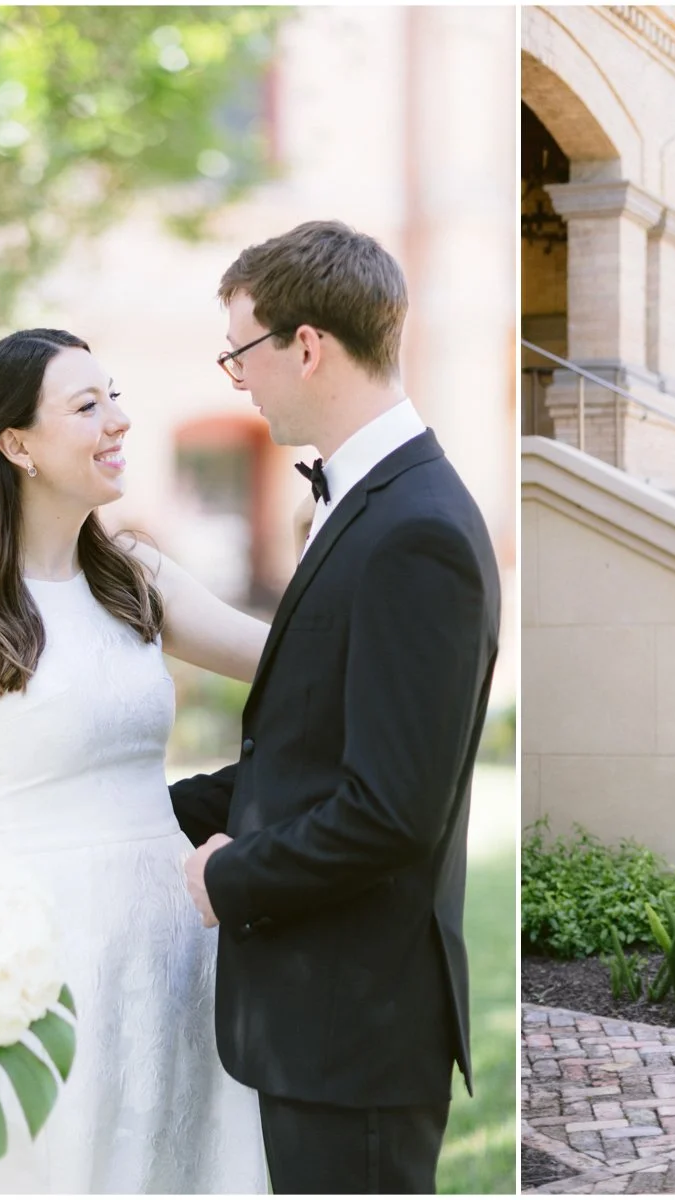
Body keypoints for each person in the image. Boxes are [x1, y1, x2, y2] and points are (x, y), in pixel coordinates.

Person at [0, 328, 272, 1193]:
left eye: (114, 395)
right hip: (45, 957)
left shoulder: (136, 577)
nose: (118, 420)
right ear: (16, 444)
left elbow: (287, 656)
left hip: (175, 937)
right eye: (86, 406)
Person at [171, 220, 501, 1194]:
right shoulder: (371, 503)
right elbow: (313, 744)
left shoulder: (417, 532)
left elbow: (392, 810)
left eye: (242, 354)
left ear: (305, 345)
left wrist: (228, 879)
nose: (240, 379)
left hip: (357, 1030)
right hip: (323, 1026)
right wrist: (149, 816)